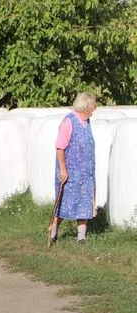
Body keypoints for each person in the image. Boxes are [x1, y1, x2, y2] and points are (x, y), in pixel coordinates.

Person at [49, 92, 97, 246]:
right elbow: (60, 147)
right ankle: (53, 233)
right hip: (70, 173)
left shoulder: (87, 121)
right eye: (94, 104)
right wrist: (63, 169)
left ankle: (81, 239)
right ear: (87, 106)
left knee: (84, 204)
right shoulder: (69, 121)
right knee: (64, 204)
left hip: (85, 174)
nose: (95, 107)